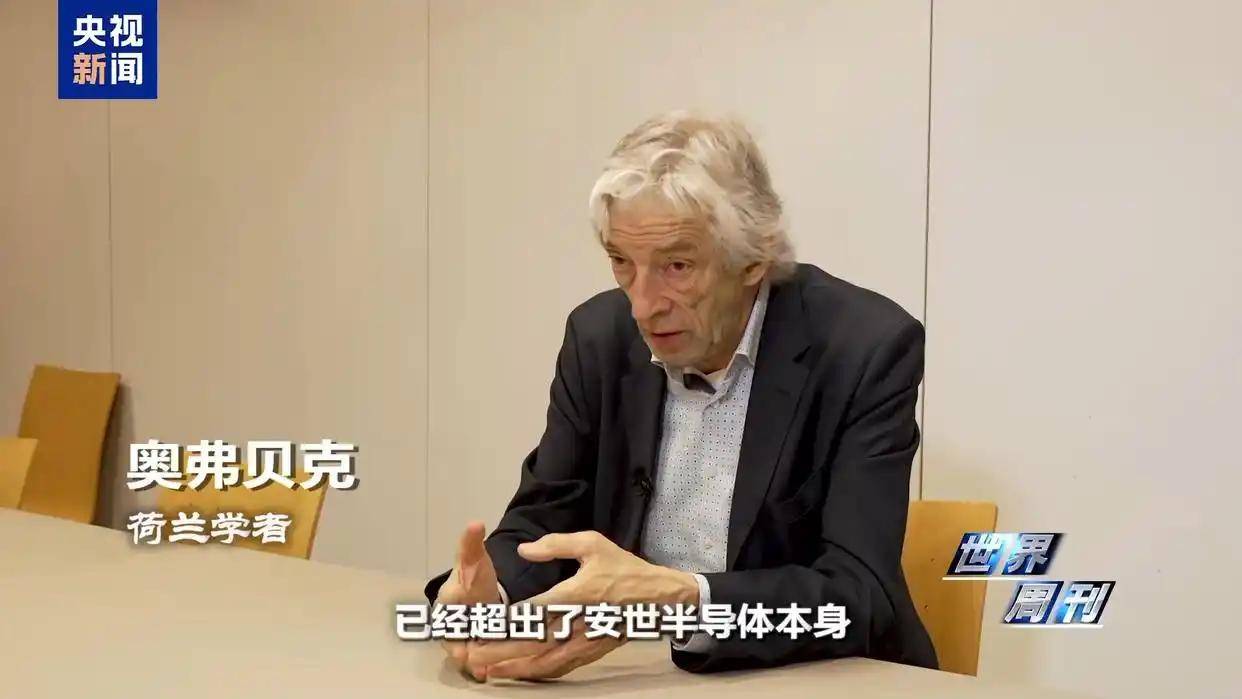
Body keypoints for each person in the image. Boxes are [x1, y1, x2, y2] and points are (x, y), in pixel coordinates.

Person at [425, 111, 936, 681]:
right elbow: (543, 523)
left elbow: (859, 598)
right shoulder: (599, 338)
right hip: (643, 676)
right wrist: (489, 599)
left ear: (754, 257)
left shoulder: (863, 348)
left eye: (677, 266)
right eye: (622, 262)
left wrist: (682, 602)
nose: (643, 306)